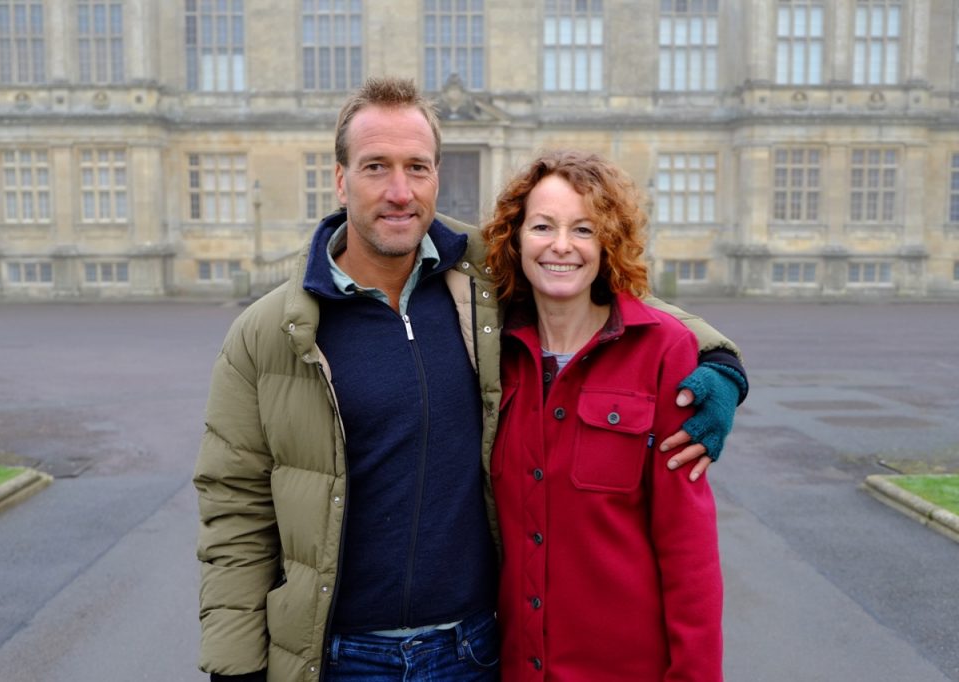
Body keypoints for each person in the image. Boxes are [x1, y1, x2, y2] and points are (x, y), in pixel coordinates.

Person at [193, 77, 744, 682]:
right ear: (340, 179)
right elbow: (235, 511)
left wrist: (719, 361)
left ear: (436, 176)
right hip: (340, 658)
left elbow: (601, 289)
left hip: (476, 651)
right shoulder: (265, 334)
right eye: (376, 166)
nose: (399, 191)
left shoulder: (481, 279)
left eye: (417, 167)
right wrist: (234, 666)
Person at [483, 149, 726, 681]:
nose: (562, 246)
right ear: (516, 237)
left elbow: (689, 550)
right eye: (543, 226)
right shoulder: (491, 358)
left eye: (584, 229)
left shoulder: (663, 352)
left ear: (607, 241)